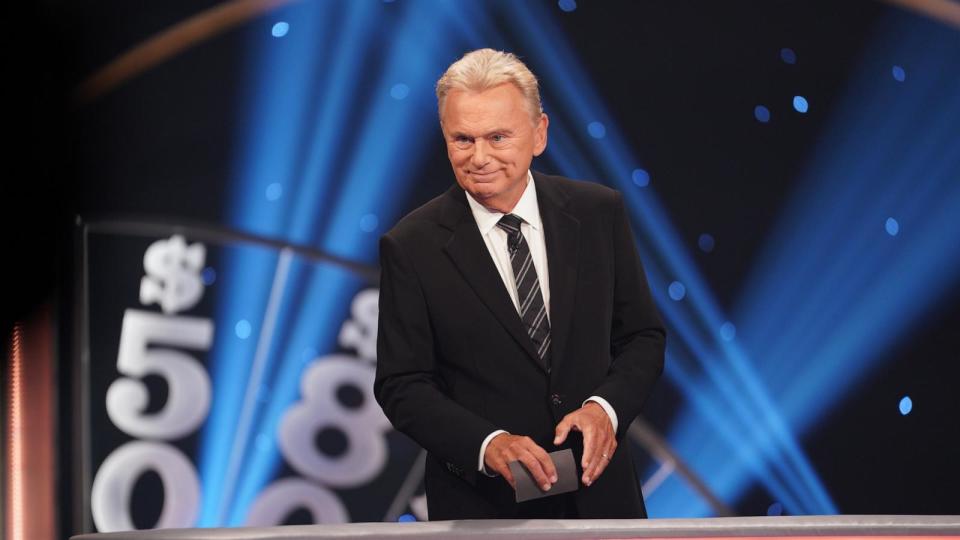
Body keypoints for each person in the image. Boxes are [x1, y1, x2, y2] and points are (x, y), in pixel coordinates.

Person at [374, 48, 665, 520]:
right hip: (487, 507)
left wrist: (604, 410)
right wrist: (488, 445)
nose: (480, 157)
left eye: (498, 137)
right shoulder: (411, 245)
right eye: (462, 139)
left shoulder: (597, 214)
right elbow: (401, 384)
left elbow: (642, 338)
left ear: (539, 133)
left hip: (601, 499)